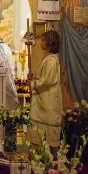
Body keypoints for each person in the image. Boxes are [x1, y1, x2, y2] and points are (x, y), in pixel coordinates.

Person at [59, 0, 88, 108]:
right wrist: (62, 8)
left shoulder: (86, 1)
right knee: (67, 70)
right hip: (68, 39)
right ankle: (69, 103)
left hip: (80, 40)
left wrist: (87, 23)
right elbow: (58, 22)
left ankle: (83, 102)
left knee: (81, 73)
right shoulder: (64, 0)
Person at [26, 30, 62, 158]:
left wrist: (32, 84)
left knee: (49, 137)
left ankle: (52, 164)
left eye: (43, 40)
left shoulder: (52, 60)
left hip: (48, 102)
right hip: (43, 101)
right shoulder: (47, 58)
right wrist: (33, 79)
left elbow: (47, 80)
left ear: (49, 42)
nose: (40, 43)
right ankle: (41, 162)